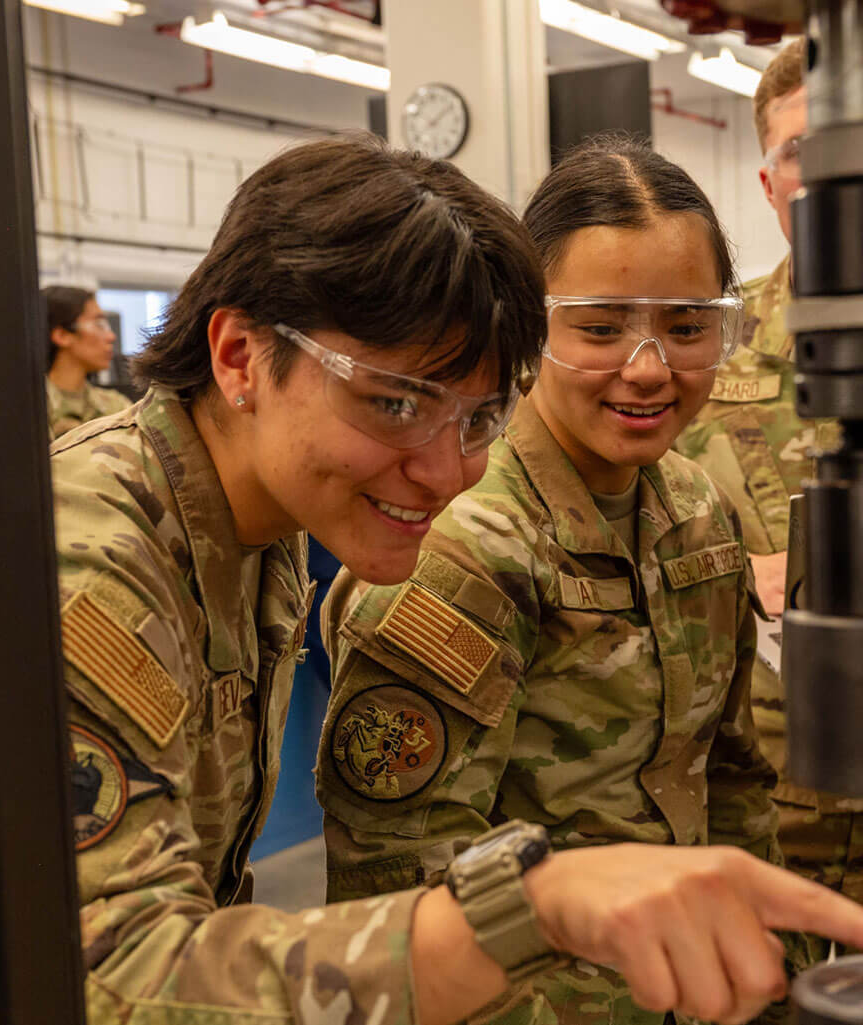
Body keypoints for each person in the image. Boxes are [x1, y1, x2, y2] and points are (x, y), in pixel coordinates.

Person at [55, 134, 863, 1025]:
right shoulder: (94, 563)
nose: (449, 474)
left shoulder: (258, 526)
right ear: (238, 357)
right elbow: (100, 974)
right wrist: (524, 911)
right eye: (396, 403)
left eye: (481, 417)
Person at [316, 136, 797, 1025]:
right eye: (602, 328)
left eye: (687, 327)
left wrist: (765, 978)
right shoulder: (467, 546)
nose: (649, 367)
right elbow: (402, 881)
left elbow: (730, 779)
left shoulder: (696, 509)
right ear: (528, 326)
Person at [671, 38, 863, 952]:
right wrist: (735, 575)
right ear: (768, 184)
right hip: (760, 814)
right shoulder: (695, 357)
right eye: (802, 151)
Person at [43, 284, 131, 439]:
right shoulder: (31, 410)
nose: (111, 337)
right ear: (63, 335)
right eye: (99, 325)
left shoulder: (116, 406)